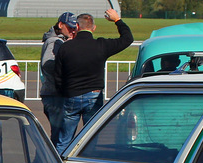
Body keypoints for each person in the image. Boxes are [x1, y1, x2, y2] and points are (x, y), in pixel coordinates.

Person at [53, 9, 133, 153]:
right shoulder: (101, 45)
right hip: (94, 95)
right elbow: (127, 39)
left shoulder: (65, 47)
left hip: (71, 95)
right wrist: (117, 20)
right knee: (91, 139)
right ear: (93, 28)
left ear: (77, 27)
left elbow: (58, 76)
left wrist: (65, 92)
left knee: (64, 141)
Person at [39, 12, 77, 146]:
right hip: (53, 93)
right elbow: (48, 64)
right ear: (61, 25)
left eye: (74, 28)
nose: (72, 31)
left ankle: (43, 162)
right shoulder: (55, 42)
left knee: (57, 134)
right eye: (70, 27)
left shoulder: (59, 41)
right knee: (58, 135)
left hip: (53, 93)